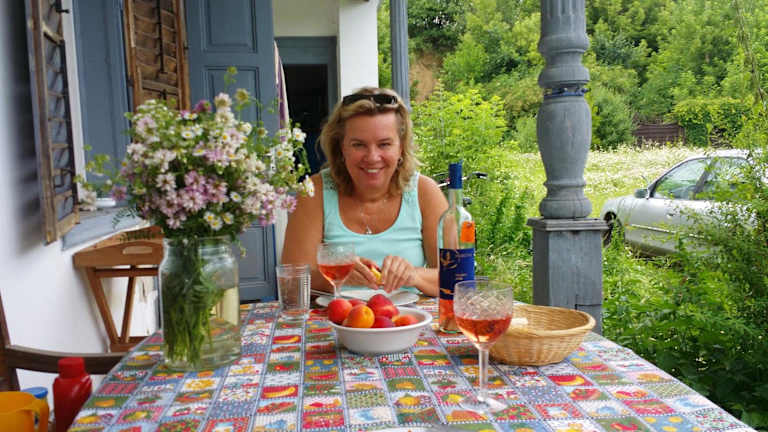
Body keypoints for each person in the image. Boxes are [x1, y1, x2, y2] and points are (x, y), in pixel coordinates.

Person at [281, 87, 448, 297]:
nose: (372, 157)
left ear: (401, 148)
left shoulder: (424, 192)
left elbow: (457, 279)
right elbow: (291, 286)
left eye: (384, 144)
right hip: (335, 317)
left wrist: (414, 275)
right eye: (358, 145)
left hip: (408, 317)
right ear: (341, 148)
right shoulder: (314, 192)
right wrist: (337, 275)